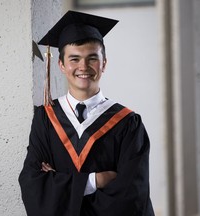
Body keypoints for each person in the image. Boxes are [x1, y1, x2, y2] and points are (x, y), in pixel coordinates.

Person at [19, 10, 155, 216]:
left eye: (92, 58)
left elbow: (132, 195)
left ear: (104, 64)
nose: (83, 67)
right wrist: (95, 181)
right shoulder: (45, 119)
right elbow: (33, 184)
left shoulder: (128, 123)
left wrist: (62, 185)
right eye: (74, 59)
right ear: (61, 65)